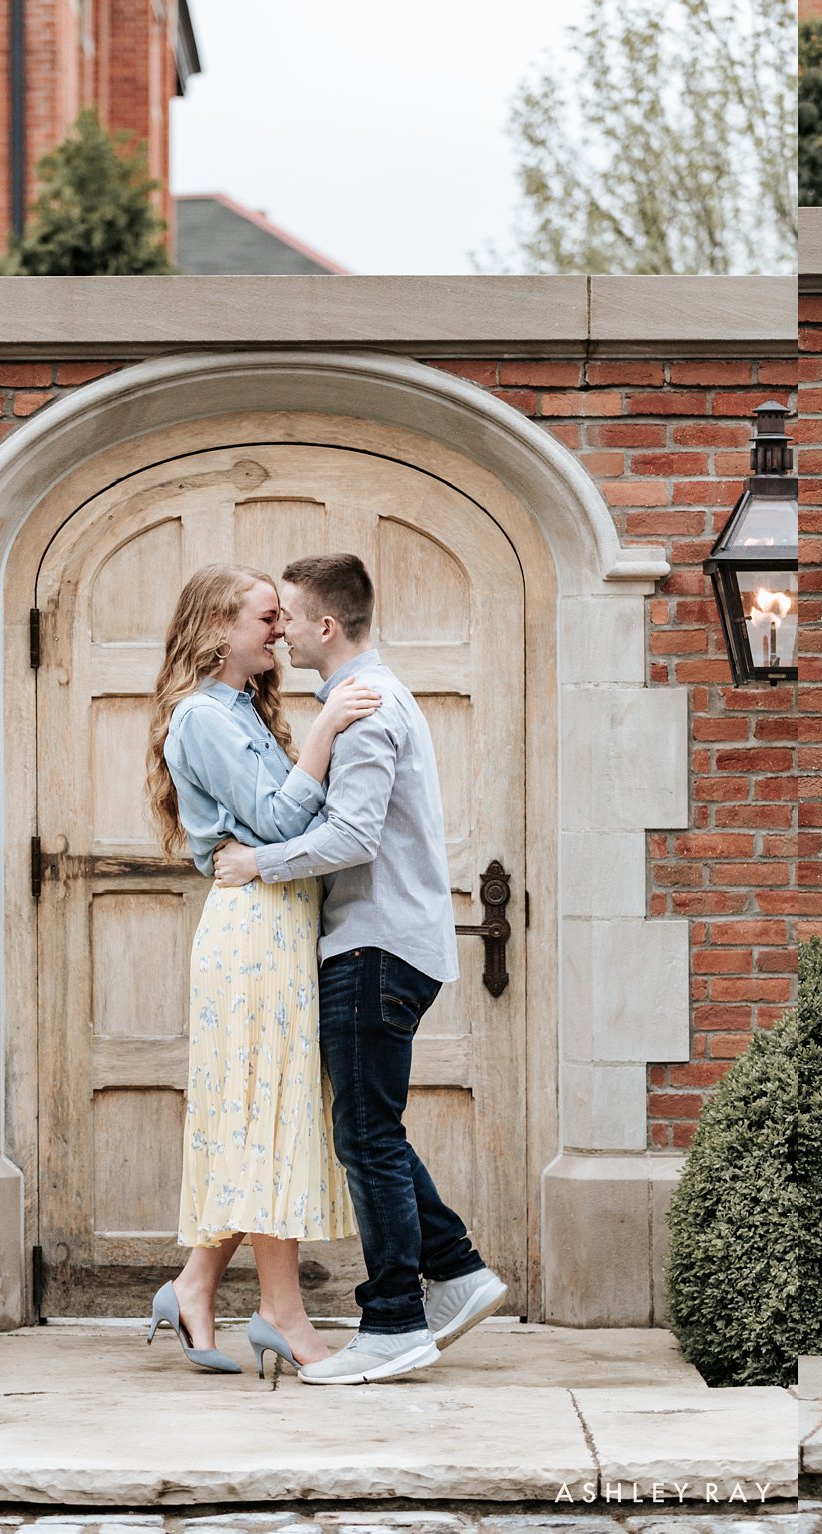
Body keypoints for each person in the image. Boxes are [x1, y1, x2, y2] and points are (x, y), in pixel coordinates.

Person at [213, 553, 507, 1386]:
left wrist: (255, 864)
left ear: (326, 626)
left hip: (375, 947)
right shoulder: (355, 702)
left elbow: (352, 839)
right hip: (376, 944)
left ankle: (393, 1323)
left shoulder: (369, 709)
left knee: (367, 1136)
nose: (282, 630)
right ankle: (456, 1271)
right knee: (370, 1127)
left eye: (290, 618)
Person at [142, 563, 383, 1376]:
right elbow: (281, 816)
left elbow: (278, 829)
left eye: (283, 619)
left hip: (279, 921)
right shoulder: (202, 719)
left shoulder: (242, 709)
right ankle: (282, 1314)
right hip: (251, 933)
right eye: (267, 618)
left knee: (263, 1112)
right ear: (219, 629)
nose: (281, 631)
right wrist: (326, 730)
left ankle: (195, 1286)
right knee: (266, 1114)